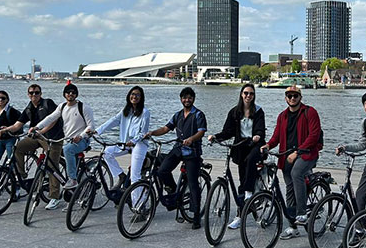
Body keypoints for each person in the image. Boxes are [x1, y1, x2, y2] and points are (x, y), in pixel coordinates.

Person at [265, 84, 322, 240]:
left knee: (297, 172)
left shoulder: (309, 112)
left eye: (295, 96)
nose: (292, 98)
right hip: (286, 157)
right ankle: (292, 227)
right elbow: (276, 136)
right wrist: (268, 145)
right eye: (289, 96)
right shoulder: (282, 116)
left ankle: (302, 212)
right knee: (289, 189)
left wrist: (297, 152)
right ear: (285, 98)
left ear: (300, 98)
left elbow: (314, 135)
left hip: (307, 154)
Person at [147, 87, 207, 229]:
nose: (187, 100)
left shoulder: (198, 114)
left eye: (190, 97)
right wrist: (152, 133)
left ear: (193, 99)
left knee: (193, 184)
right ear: (181, 99)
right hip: (178, 149)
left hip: (192, 152)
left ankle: (196, 216)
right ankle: (174, 192)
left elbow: (201, 132)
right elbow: (166, 128)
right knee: (162, 171)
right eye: (184, 97)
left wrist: (191, 139)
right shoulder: (178, 115)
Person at [208, 83, 267, 230]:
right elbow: (227, 131)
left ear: (254, 96)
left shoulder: (258, 111)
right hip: (241, 146)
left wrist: (257, 136)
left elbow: (260, 129)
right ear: (241, 94)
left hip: (255, 145)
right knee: (241, 178)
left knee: (250, 161)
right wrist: (215, 137)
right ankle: (240, 216)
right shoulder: (234, 112)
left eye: (251, 94)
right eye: (246, 93)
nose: (248, 96)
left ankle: (249, 194)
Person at [0, 84, 64, 209]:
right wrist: (4, 130)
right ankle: (22, 175)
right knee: (18, 148)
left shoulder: (48, 103)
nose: (34, 95)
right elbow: (17, 125)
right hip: (37, 136)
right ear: (28, 94)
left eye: (37, 92)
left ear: (41, 93)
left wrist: (41, 131)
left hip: (53, 138)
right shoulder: (29, 108)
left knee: (52, 165)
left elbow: (53, 120)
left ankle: (54, 197)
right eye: (31, 93)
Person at [31, 83, 95, 198]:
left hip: (82, 140)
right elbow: (50, 118)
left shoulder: (83, 107)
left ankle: (73, 179)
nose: (71, 94)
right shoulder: (62, 106)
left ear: (76, 94)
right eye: (68, 92)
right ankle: (72, 189)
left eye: (73, 92)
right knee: (62, 154)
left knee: (68, 150)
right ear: (64, 94)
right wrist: (37, 127)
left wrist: (81, 136)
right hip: (68, 140)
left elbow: (91, 126)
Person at [94, 86, 150, 191]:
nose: (134, 96)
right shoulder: (125, 111)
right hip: (125, 143)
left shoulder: (145, 112)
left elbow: (143, 133)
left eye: (138, 95)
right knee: (107, 152)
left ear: (141, 98)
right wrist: (97, 131)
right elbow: (113, 121)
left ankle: (138, 204)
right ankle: (121, 175)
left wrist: (133, 141)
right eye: (133, 94)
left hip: (139, 144)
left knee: (134, 175)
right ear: (129, 96)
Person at [0, 90, 22, 168]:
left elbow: (17, 124)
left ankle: (12, 178)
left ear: (7, 99)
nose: (0, 100)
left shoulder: (11, 111)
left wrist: (7, 128)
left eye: (3, 98)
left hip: (10, 139)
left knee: (12, 163)